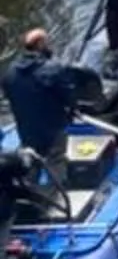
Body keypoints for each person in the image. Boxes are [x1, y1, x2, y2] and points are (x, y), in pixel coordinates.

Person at [2, 30, 99, 189]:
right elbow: (69, 96)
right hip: (52, 128)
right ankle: (56, 192)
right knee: (57, 159)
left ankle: (28, 192)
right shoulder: (53, 68)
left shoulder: (10, 72)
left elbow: (10, 96)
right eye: (47, 42)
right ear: (40, 44)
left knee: (31, 160)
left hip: (26, 130)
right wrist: (73, 108)